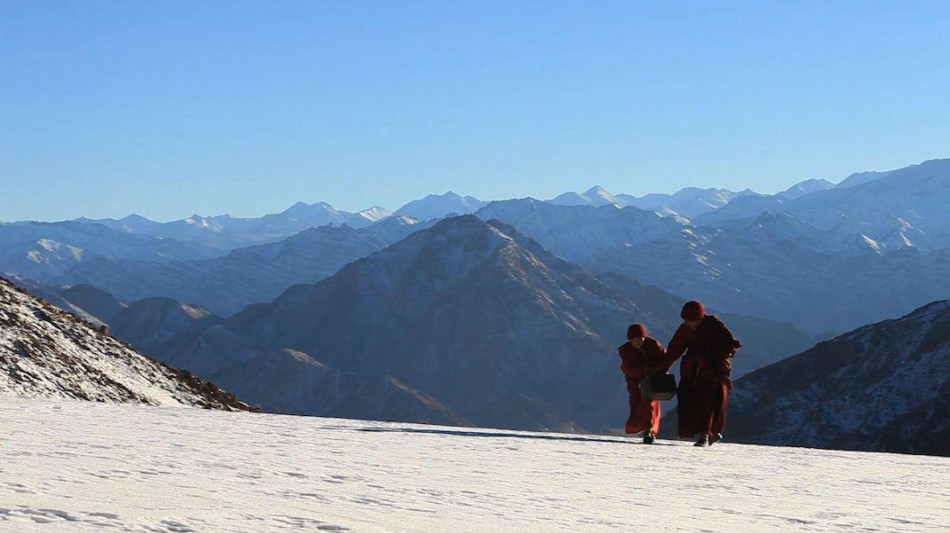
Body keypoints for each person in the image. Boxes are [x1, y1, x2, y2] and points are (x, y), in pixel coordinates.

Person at [666, 300, 742, 447]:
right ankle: (703, 433)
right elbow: (674, 349)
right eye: (687, 320)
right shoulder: (685, 329)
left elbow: (728, 347)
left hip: (714, 371)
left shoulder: (715, 326)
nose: (690, 323)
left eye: (693, 321)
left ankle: (706, 434)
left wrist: (707, 358)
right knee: (691, 402)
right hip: (693, 372)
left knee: (710, 403)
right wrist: (661, 368)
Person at [618, 323, 668, 444]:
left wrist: (657, 371)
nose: (637, 342)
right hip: (634, 382)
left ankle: (649, 431)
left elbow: (665, 361)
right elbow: (626, 368)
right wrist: (642, 371)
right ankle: (641, 428)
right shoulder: (625, 350)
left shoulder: (654, 346)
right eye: (634, 340)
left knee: (650, 405)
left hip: (651, 381)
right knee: (636, 404)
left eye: (640, 339)